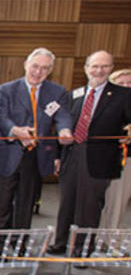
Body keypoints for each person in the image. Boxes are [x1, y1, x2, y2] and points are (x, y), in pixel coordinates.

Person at [50, 51, 131, 255]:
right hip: (71, 154)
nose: (99, 71)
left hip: (99, 158)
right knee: (67, 201)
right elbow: (63, 122)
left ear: (111, 68)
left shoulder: (123, 95)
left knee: (89, 206)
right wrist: (58, 155)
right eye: (94, 66)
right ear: (86, 68)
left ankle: (82, 248)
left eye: (104, 66)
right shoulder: (74, 95)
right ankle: (60, 242)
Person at [0, 47, 73, 230]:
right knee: (0, 206)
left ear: (49, 71)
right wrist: (16, 131)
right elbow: (1, 118)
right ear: (26, 65)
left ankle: (20, 245)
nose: (38, 72)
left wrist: (64, 130)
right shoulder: (6, 89)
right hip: (6, 154)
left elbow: (62, 115)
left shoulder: (57, 92)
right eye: (35, 66)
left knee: (25, 206)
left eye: (44, 68)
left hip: (35, 157)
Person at [99, 68, 131, 230]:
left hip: (125, 160)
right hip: (100, 157)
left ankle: (110, 239)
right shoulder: (104, 103)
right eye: (121, 83)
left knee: (117, 201)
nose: (126, 86)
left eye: (129, 83)